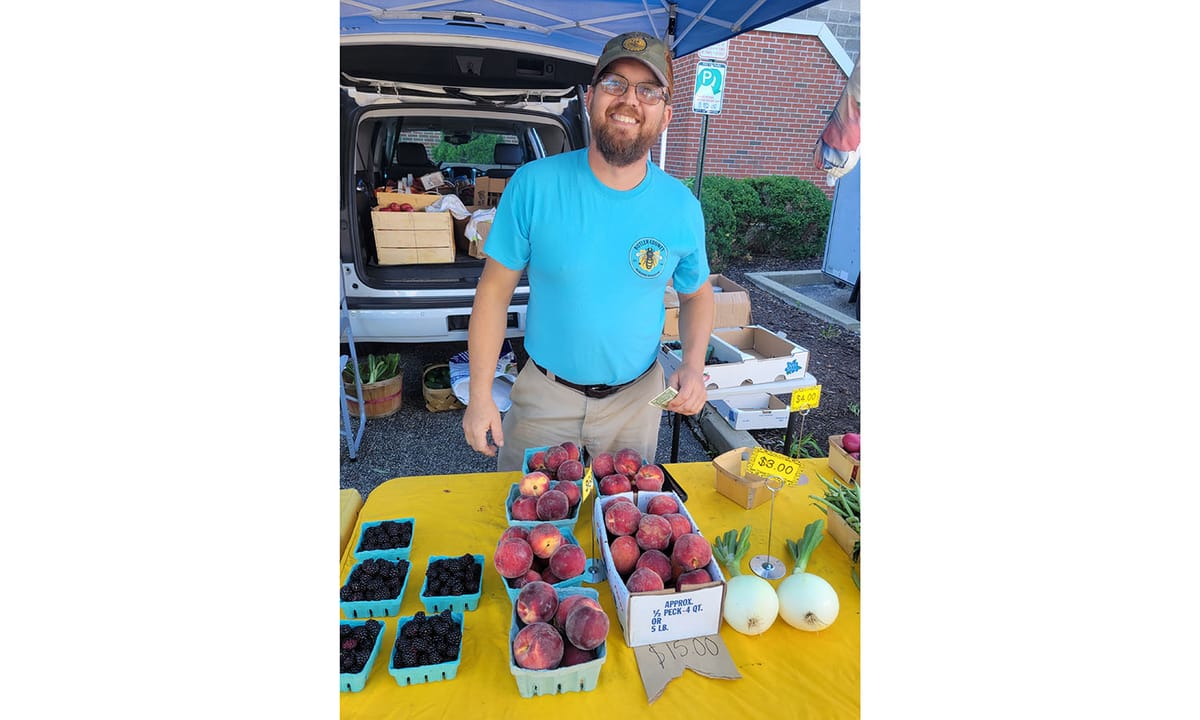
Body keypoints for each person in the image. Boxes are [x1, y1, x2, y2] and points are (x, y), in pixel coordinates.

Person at [462, 31, 715, 472]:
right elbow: (493, 293)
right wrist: (480, 393)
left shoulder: (682, 208)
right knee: (525, 526)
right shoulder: (533, 185)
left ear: (667, 114)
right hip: (543, 398)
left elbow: (696, 294)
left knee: (625, 532)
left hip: (636, 406)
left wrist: (693, 366)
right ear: (591, 97)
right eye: (615, 84)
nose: (629, 100)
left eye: (648, 91)